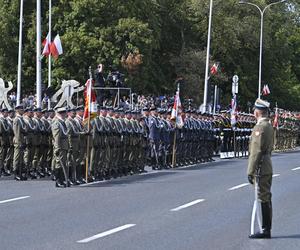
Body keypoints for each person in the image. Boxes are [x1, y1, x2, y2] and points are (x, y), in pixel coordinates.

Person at [248, 98, 274, 239]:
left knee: (263, 196)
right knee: (266, 195)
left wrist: (250, 171)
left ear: (258, 112)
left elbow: (256, 151)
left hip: (261, 165)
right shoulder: (269, 125)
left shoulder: (260, 127)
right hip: (267, 163)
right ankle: (266, 228)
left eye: (254, 110)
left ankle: (265, 230)